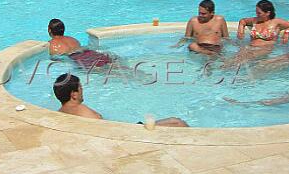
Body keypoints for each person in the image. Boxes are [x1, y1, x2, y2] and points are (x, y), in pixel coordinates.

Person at [53, 73, 189, 126]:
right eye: (80, 87)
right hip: (128, 134)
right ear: (74, 95)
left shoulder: (60, 112)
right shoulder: (84, 112)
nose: (83, 90)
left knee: (174, 121)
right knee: (178, 122)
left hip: (123, 131)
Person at [47, 19, 113, 69]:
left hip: (78, 59)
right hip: (89, 53)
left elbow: (56, 59)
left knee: (101, 70)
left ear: (49, 30)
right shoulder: (73, 39)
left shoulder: (50, 45)